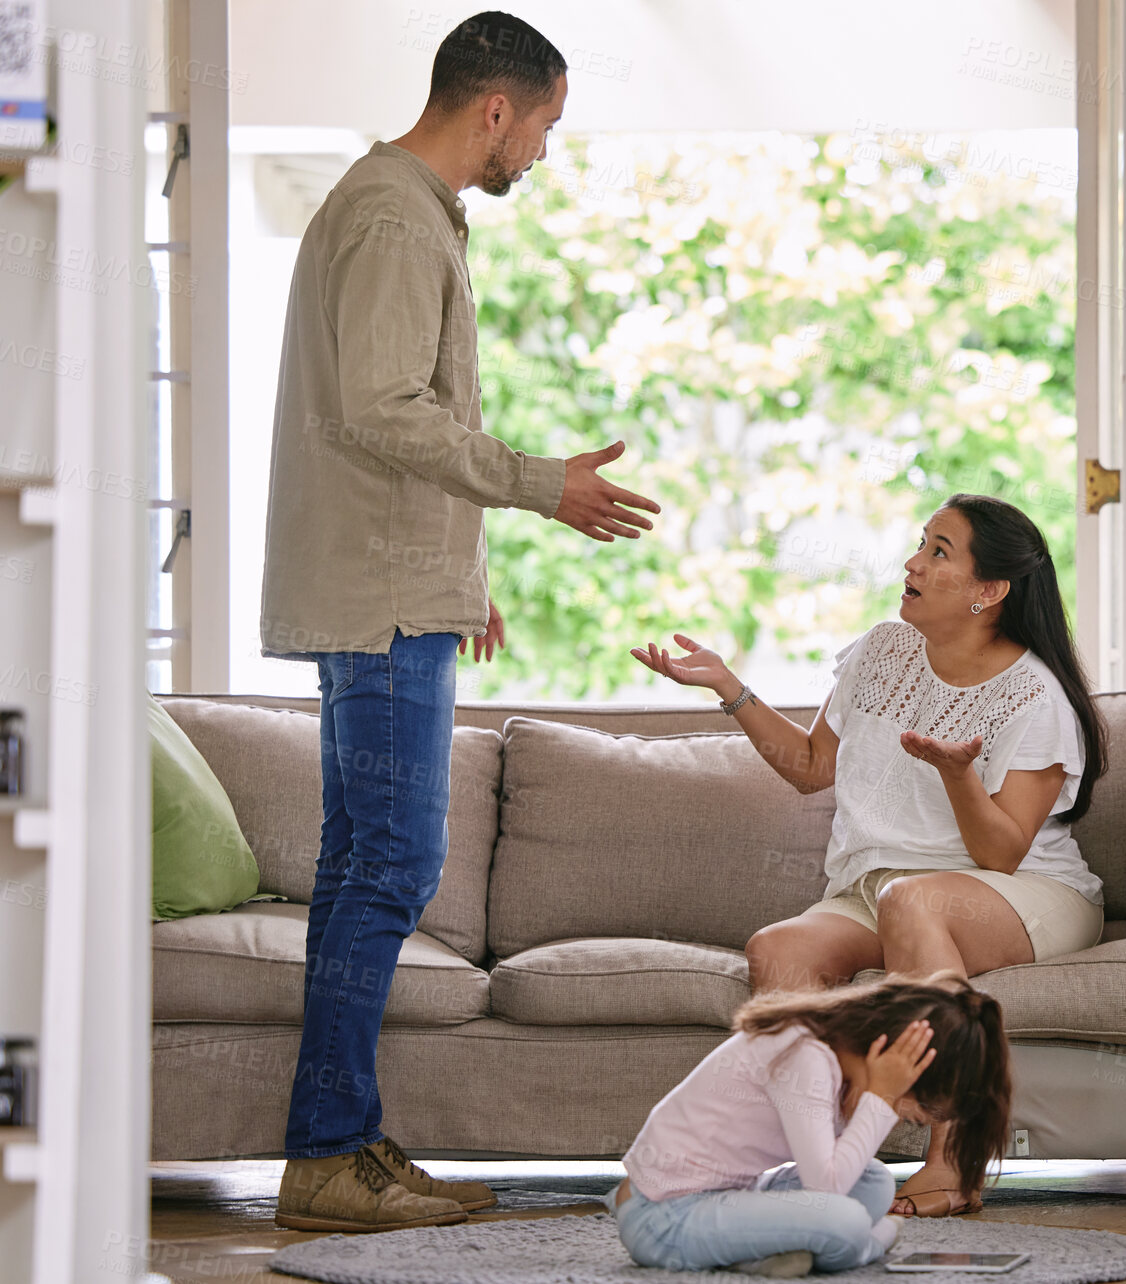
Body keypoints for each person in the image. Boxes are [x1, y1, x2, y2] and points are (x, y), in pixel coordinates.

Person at [259, 12, 661, 1233]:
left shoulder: (399, 209)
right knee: (392, 864)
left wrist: (460, 561)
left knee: (359, 864)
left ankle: (340, 1145)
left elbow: (384, 419)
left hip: (395, 586)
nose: (542, 149)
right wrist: (543, 485)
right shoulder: (392, 214)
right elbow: (383, 409)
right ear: (496, 108)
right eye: (543, 124)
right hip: (380, 604)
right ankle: (328, 1152)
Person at [631, 493, 1108, 1219]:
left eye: (939, 552)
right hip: (876, 884)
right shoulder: (882, 650)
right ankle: (807, 1175)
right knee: (779, 950)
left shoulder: (1032, 696)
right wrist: (728, 687)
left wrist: (955, 775)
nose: (913, 562)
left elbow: (1002, 852)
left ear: (989, 592)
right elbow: (809, 765)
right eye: (921, 544)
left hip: (1021, 890)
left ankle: (952, 1164)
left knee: (910, 901)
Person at [612, 974, 1011, 1277]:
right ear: (884, 1053)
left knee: (874, 1181)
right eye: (915, 1105)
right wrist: (883, 1097)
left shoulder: (834, 1052)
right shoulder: (807, 1057)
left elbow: (833, 1174)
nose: (909, 1119)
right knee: (847, 1221)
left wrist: (881, 1096)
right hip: (662, 1217)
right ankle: (865, 1245)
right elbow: (827, 1189)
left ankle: (759, 1255)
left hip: (730, 1192)